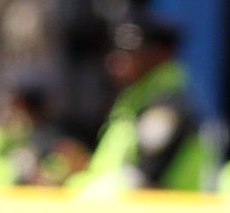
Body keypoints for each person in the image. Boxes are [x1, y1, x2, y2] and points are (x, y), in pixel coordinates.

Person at [77, 20, 210, 194]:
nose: (116, 62)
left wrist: (80, 190)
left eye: (129, 53)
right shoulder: (134, 102)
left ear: (159, 55)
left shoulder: (168, 105)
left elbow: (143, 179)